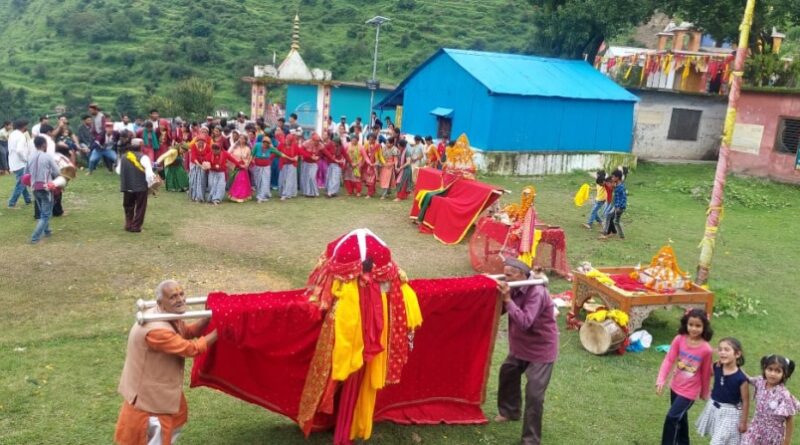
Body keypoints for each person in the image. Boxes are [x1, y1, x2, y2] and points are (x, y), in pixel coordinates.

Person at [114, 280, 218, 445]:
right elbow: (190, 349)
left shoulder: (166, 314)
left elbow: (186, 332)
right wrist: (220, 331)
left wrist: (208, 318)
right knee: (157, 432)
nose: (180, 299)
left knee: (175, 421)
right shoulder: (157, 331)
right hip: (149, 396)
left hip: (159, 389)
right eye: (173, 297)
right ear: (160, 302)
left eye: (181, 294)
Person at [494, 259, 559, 445]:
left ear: (521, 274)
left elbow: (525, 322)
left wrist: (507, 300)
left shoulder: (536, 292)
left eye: (509, 275)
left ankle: (530, 440)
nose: (505, 278)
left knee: (534, 395)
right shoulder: (515, 285)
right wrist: (493, 294)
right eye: (504, 274)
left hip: (541, 350)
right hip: (520, 346)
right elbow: (500, 311)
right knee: (508, 372)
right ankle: (510, 411)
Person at [657, 308, 714, 445]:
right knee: (680, 417)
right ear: (686, 324)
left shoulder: (706, 349)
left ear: (704, 327)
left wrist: (704, 392)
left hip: (689, 392)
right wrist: (661, 379)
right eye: (691, 325)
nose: (693, 329)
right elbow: (669, 359)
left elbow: (706, 373)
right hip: (675, 386)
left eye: (698, 326)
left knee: (672, 417)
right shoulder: (679, 339)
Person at [695, 337, 750, 445]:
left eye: (727, 350)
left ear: (737, 354)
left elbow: (746, 401)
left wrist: (743, 422)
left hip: (730, 414)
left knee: (717, 442)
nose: (722, 352)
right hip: (714, 408)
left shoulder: (741, 378)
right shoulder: (717, 367)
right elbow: (705, 373)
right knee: (718, 438)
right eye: (720, 349)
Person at [741, 355, 799, 445]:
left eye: (778, 371)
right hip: (755, 429)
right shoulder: (760, 381)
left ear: (784, 374)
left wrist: (786, 442)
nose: (773, 374)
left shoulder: (784, 395)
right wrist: (736, 366)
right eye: (770, 369)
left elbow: (789, 420)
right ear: (764, 369)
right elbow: (748, 379)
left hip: (772, 436)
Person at [26, 136, 61, 244]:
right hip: (45, 188)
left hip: (34, 188)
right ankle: (34, 238)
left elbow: (26, 173)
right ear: (44, 145)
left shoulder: (30, 157)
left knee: (43, 211)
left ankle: (47, 231)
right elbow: (57, 172)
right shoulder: (47, 156)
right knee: (46, 214)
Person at [118, 139, 155, 232]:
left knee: (128, 206)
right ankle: (136, 227)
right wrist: (151, 185)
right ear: (141, 146)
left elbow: (118, 171)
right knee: (140, 207)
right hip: (140, 187)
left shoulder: (123, 157)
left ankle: (128, 224)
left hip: (127, 186)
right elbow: (149, 174)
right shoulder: (144, 157)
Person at [7, 119, 33, 209]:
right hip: (20, 163)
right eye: (26, 125)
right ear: (23, 126)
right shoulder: (21, 136)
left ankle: (28, 199)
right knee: (21, 184)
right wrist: (25, 159)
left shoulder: (12, 134)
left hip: (13, 162)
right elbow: (19, 150)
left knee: (22, 181)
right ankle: (12, 203)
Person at [251, 135, 283, 202]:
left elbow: (279, 153)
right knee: (258, 182)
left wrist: (289, 158)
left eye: (267, 143)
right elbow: (252, 154)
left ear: (269, 144)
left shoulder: (270, 148)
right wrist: (251, 161)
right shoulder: (257, 145)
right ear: (262, 142)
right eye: (264, 142)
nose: (265, 144)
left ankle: (261, 196)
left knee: (265, 181)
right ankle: (261, 194)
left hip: (266, 168)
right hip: (257, 167)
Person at [599, 169, 627, 240]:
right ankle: (605, 232)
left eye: (613, 177)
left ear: (617, 177)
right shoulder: (617, 185)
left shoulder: (621, 187)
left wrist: (619, 207)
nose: (612, 178)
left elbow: (623, 198)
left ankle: (622, 237)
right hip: (616, 206)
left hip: (619, 207)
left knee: (616, 222)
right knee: (608, 216)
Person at [227, 137, 253, 202]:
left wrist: (246, 164)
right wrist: (236, 163)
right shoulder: (235, 147)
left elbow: (249, 157)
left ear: (245, 140)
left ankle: (242, 196)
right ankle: (235, 196)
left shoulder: (247, 149)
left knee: (242, 181)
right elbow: (230, 155)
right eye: (240, 138)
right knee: (236, 181)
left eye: (243, 139)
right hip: (236, 167)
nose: (241, 140)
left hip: (243, 167)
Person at [188, 135, 210, 202]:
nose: (200, 143)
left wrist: (204, 162)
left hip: (203, 166)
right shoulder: (193, 146)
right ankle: (194, 196)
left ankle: (200, 197)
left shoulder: (207, 147)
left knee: (201, 181)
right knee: (193, 181)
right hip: (195, 165)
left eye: (202, 142)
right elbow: (193, 157)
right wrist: (199, 165)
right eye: (199, 142)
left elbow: (209, 155)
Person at [299, 133, 321, 197]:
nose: (317, 142)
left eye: (318, 141)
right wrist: (310, 156)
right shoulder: (306, 143)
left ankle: (314, 192)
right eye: (316, 141)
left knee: (312, 176)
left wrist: (318, 157)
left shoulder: (320, 145)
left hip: (314, 163)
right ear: (312, 140)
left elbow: (324, 152)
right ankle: (307, 192)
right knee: (305, 177)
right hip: (306, 163)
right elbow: (301, 151)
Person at [278, 133, 299, 201]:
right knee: (282, 179)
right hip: (283, 164)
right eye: (286, 139)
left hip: (292, 165)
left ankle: (286, 194)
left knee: (289, 180)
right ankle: (283, 193)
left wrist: (296, 157)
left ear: (291, 141)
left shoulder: (295, 146)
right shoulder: (281, 145)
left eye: (289, 140)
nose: (287, 141)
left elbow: (298, 153)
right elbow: (276, 152)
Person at [360, 133, 378, 198]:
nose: (370, 141)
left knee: (371, 179)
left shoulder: (377, 146)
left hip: (373, 165)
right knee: (367, 179)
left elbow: (379, 156)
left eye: (372, 139)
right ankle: (372, 191)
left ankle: (369, 193)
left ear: (375, 140)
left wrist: (376, 163)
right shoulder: (366, 144)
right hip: (366, 164)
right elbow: (363, 154)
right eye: (369, 139)